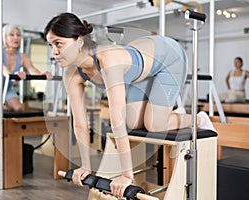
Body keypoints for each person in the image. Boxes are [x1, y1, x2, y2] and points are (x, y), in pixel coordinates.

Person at [44, 12, 215, 198]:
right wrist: (85, 166)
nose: (54, 52)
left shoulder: (108, 61)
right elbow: (79, 123)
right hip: (139, 72)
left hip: (168, 57)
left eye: (58, 43)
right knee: (133, 123)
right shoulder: (71, 72)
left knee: (154, 125)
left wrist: (127, 175)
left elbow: (117, 120)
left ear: (79, 41)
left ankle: (198, 119)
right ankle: (167, 113)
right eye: (50, 45)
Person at [0, 24, 52, 113]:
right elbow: (2, 69)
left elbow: (32, 70)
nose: (16, 38)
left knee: (19, 109)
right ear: (4, 38)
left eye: (18, 35)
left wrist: (43, 74)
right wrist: (13, 75)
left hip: (6, 88)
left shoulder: (23, 57)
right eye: (11, 35)